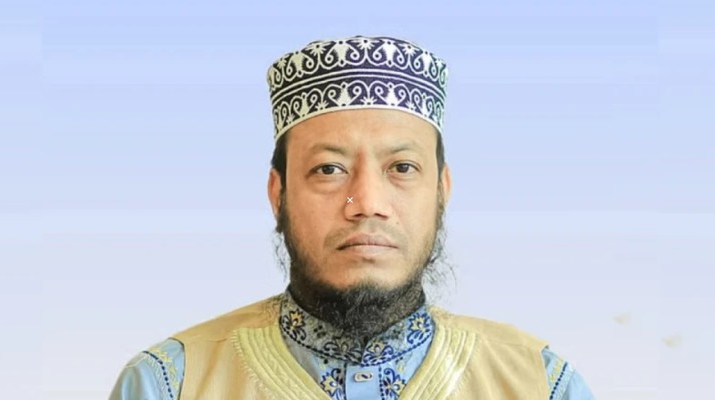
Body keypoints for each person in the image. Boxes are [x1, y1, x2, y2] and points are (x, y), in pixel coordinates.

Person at [109, 35, 595, 399]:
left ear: (442, 192)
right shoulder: (169, 385)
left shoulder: (539, 384)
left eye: (401, 168)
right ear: (278, 194)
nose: (366, 202)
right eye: (329, 169)